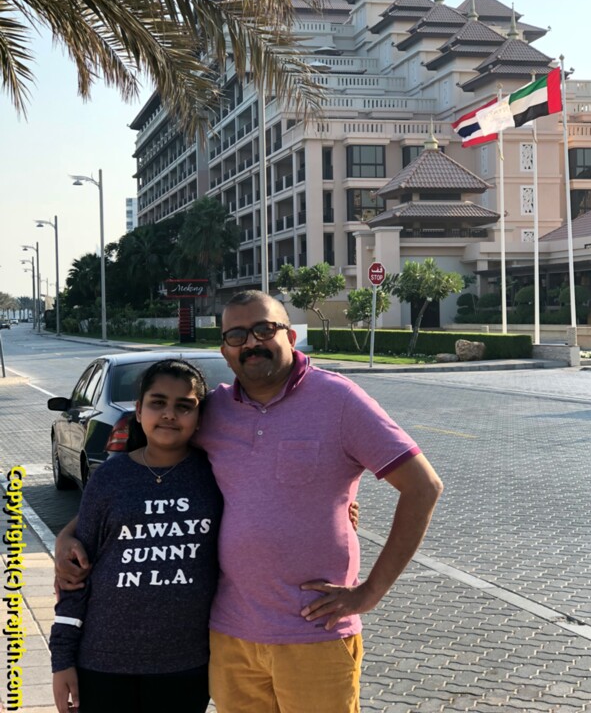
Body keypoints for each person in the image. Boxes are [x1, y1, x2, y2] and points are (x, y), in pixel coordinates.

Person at [57, 291, 443, 713]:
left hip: (315, 633)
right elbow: (138, 486)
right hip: (230, 637)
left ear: (290, 336)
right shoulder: (213, 411)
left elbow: (423, 487)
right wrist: (70, 534)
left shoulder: (340, 400)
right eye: (236, 335)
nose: (251, 343)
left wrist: (369, 593)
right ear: (225, 351)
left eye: (264, 329)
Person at [50, 359, 222, 713]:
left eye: (184, 406)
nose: (169, 414)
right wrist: (61, 658)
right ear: (139, 410)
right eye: (158, 402)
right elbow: (74, 577)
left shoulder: (217, 477)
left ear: (199, 416)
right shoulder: (110, 479)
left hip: (186, 664)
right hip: (102, 661)